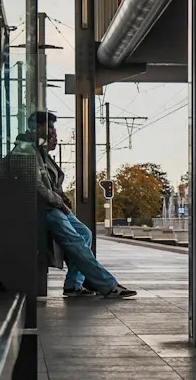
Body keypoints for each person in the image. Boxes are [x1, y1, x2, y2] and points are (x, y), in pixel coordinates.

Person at [23, 111, 136, 299]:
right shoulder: (27, 151)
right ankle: (108, 285)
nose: (53, 134)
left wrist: (61, 196)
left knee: (85, 233)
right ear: (36, 128)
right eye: (49, 129)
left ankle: (73, 285)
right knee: (76, 241)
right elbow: (37, 188)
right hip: (41, 208)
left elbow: (49, 183)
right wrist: (60, 202)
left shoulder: (40, 153)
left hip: (51, 205)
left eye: (54, 130)